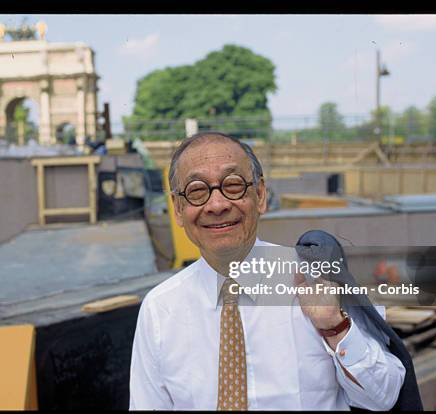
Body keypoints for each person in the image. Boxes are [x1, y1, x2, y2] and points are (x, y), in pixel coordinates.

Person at [129, 132, 413, 410]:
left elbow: (383, 397)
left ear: (261, 195)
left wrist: (335, 327)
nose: (217, 205)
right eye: (197, 191)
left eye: (233, 185)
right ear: (178, 209)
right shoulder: (160, 310)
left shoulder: (321, 279)